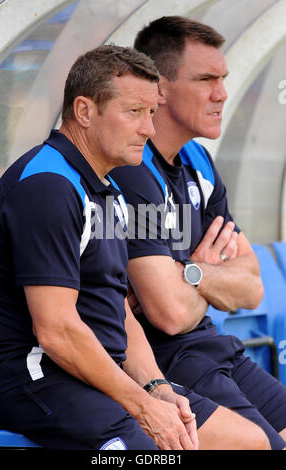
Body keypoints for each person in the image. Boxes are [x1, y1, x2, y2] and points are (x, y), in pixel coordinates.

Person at [0, 44, 267, 452]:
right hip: (39, 380)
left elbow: (118, 311)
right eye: (133, 113)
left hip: (98, 376)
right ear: (84, 111)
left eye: (151, 113)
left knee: (250, 443)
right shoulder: (48, 187)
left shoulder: (108, 188)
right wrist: (141, 405)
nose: (149, 130)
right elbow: (56, 332)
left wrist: (157, 388)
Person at [110, 16, 286, 450]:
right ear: (161, 90)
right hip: (170, 362)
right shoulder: (135, 169)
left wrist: (189, 271)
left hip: (214, 344)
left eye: (223, 78)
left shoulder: (198, 162)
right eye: (206, 79)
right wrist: (203, 275)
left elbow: (253, 287)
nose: (222, 93)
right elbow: (167, 313)